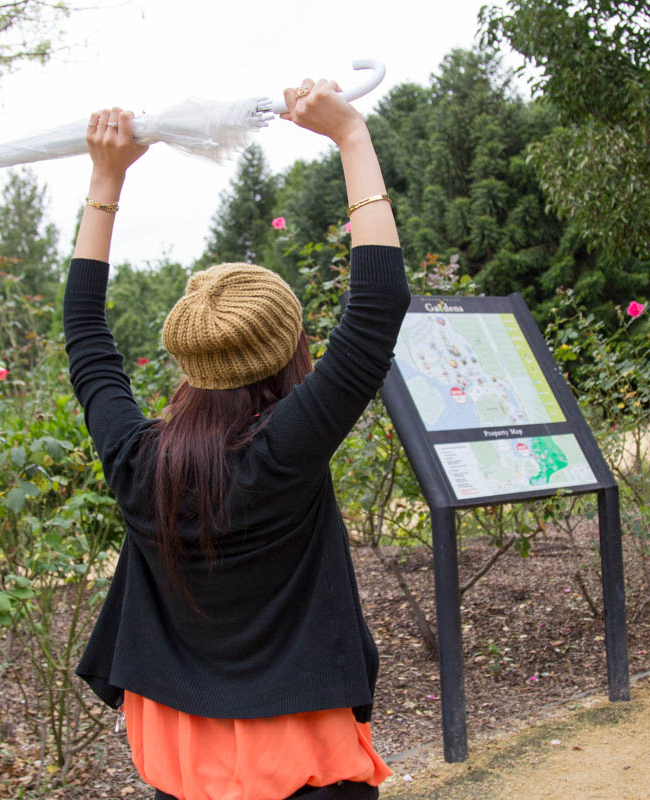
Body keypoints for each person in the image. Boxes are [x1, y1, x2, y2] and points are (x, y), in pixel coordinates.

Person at [63, 77, 410, 800]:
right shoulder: (285, 452)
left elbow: (87, 339)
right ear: (290, 349)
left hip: (179, 762)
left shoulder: (138, 460)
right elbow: (376, 307)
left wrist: (105, 178)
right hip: (300, 757)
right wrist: (351, 136)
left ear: (187, 357)